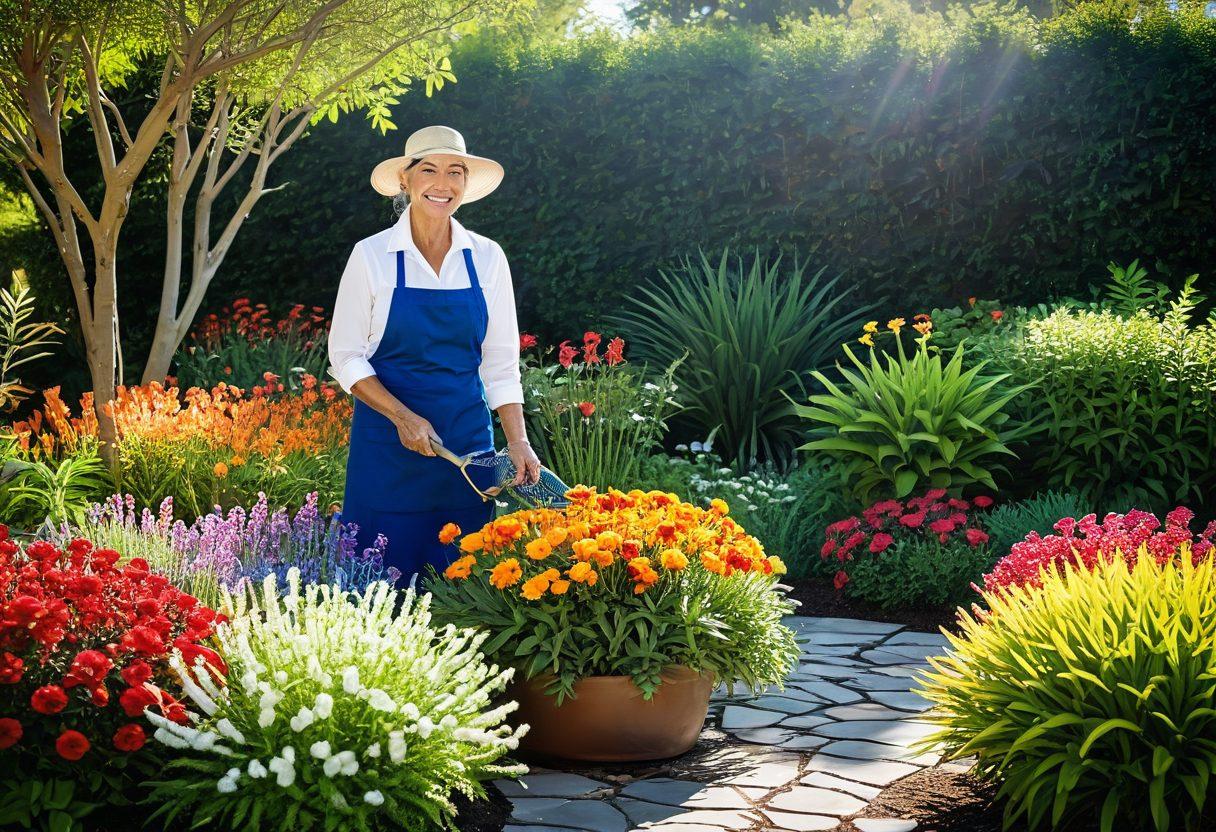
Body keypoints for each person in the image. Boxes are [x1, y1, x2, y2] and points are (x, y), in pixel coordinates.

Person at [328, 125, 541, 580]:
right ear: (406, 180)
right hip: (387, 447)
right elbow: (345, 357)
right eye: (429, 170)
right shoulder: (372, 257)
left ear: (465, 184)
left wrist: (518, 440)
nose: (442, 184)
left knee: (464, 583)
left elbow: (501, 363)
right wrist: (403, 417)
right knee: (378, 586)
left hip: (466, 451)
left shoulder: (487, 257)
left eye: (455, 172)